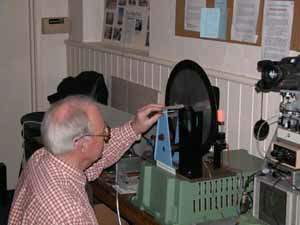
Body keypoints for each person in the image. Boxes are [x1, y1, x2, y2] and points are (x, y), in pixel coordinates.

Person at [8, 95, 164, 225]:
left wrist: (134, 127)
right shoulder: (71, 216)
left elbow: (98, 159)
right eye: (104, 134)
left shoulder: (42, 157)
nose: (106, 138)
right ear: (81, 144)